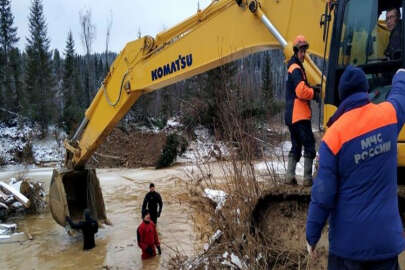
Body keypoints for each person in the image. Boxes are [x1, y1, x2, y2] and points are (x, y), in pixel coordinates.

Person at [306, 65, 405, 269]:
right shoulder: (388, 116)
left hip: (348, 250)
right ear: (365, 89)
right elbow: (400, 97)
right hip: (385, 245)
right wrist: (401, 76)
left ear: (342, 96)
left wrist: (311, 236)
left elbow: (323, 195)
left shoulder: (333, 137)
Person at [285, 35, 321, 186]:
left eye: (304, 51)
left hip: (291, 115)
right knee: (309, 144)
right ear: (295, 51)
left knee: (296, 145)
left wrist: (310, 89)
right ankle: (307, 179)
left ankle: (289, 177)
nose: (303, 54)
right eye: (301, 51)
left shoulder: (294, 67)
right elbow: (300, 91)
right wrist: (314, 93)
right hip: (299, 114)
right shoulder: (296, 68)